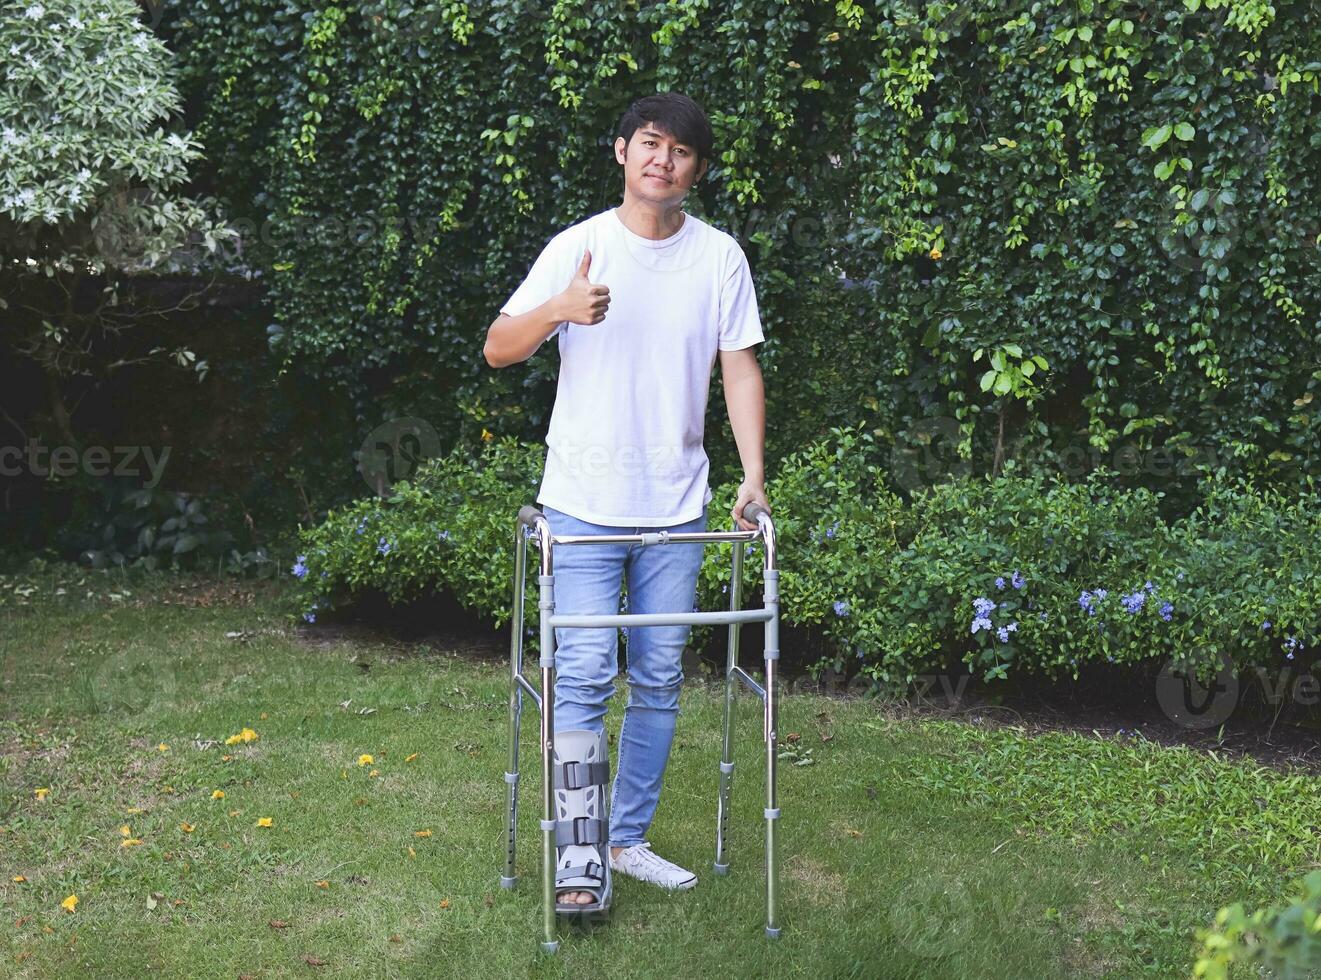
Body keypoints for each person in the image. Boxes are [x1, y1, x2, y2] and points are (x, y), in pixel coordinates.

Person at [484, 92, 769, 908]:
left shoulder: (720, 258)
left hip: (676, 508)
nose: (662, 160)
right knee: (578, 676)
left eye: (680, 151)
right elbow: (499, 349)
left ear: (696, 170)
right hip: (579, 505)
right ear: (622, 152)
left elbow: (738, 366)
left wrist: (750, 474)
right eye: (650, 144)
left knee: (656, 678)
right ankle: (578, 857)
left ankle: (624, 837)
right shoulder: (578, 247)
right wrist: (557, 311)